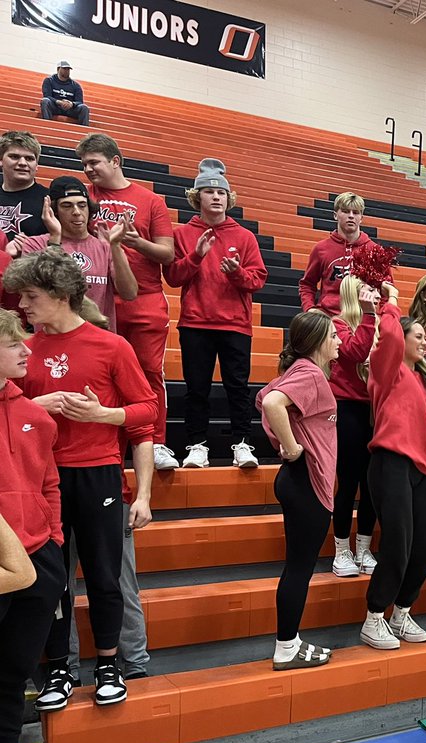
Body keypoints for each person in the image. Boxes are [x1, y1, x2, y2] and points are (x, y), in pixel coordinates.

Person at [6, 249, 156, 710]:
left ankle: (109, 664)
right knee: (50, 582)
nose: (22, 306)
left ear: (61, 295)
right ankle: (59, 669)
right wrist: (37, 408)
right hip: (41, 481)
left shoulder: (112, 346)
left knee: (105, 576)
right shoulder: (21, 350)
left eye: (31, 296)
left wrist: (102, 413)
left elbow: (147, 411)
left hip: (98, 475)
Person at [77, 133, 176, 471]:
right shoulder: (82, 197)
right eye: (85, 164)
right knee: (101, 376)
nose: (88, 169)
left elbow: (168, 253)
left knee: (149, 373)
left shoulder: (150, 200)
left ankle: (156, 442)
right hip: (97, 299)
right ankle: (110, 447)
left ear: (115, 161)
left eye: (94, 163)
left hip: (145, 300)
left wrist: (137, 242)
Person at [0, 310, 63, 743]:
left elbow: (48, 486)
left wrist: (55, 548)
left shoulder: (36, 415)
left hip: (38, 558)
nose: (28, 352)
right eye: (16, 344)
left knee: (13, 669)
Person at [165, 159, 267, 469]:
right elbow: (173, 277)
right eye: (208, 191)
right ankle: (197, 445)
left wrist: (237, 273)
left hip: (235, 324)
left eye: (220, 192)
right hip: (196, 322)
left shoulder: (245, 237)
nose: (216, 197)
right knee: (197, 389)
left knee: (238, 387)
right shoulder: (182, 234)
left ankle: (243, 443)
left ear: (228, 198)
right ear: (198, 197)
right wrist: (196, 256)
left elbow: (258, 279)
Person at [257, 311, 340, 669]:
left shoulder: (300, 372)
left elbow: (265, 396)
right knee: (299, 568)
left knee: (297, 566)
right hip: (306, 479)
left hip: (298, 479)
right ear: (320, 340)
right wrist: (291, 447)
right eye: (334, 335)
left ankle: (290, 642)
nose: (339, 340)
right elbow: (272, 402)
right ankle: (287, 647)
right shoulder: (310, 373)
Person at [360, 302, 426, 650]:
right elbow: (391, 337)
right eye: (419, 336)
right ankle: (374, 617)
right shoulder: (386, 370)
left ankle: (401, 614)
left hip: (423, 469)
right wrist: (389, 305)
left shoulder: (421, 381)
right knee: (398, 544)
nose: (425, 342)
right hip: (390, 462)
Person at [5, 176, 137, 323]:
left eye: (82, 205)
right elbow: (44, 289)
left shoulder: (106, 246)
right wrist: (55, 238)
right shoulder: (35, 244)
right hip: (52, 336)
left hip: (98, 336)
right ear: (54, 211)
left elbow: (129, 293)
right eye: (67, 206)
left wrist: (116, 246)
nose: (76, 212)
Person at [328, 276, 380, 577]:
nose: (373, 294)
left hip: (374, 408)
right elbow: (355, 354)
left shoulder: (377, 322)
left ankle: (363, 548)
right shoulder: (338, 325)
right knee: (348, 482)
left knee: (370, 483)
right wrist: (370, 316)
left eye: (375, 290)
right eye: (368, 289)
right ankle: (341, 550)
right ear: (352, 293)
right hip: (347, 407)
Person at [299, 191, 391, 316]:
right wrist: (310, 309)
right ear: (335, 215)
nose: (351, 216)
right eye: (346, 211)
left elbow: (387, 290)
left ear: (361, 218)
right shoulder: (321, 249)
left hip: (363, 319)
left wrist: (381, 317)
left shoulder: (375, 251)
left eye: (356, 212)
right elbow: (307, 284)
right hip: (329, 318)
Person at [0, 131, 50, 241]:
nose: (22, 163)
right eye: (14, 157)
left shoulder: (50, 199)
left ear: (36, 165)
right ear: (1, 161)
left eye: (29, 158)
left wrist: (32, 247)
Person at [41, 61, 90, 126]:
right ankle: (46, 125)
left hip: (69, 109)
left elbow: (80, 101)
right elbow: (47, 96)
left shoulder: (76, 85)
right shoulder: (49, 80)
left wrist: (71, 104)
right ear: (58, 69)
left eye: (68, 69)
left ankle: (84, 130)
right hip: (55, 107)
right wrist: (59, 102)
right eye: (64, 69)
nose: (67, 71)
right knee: (45, 101)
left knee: (84, 107)